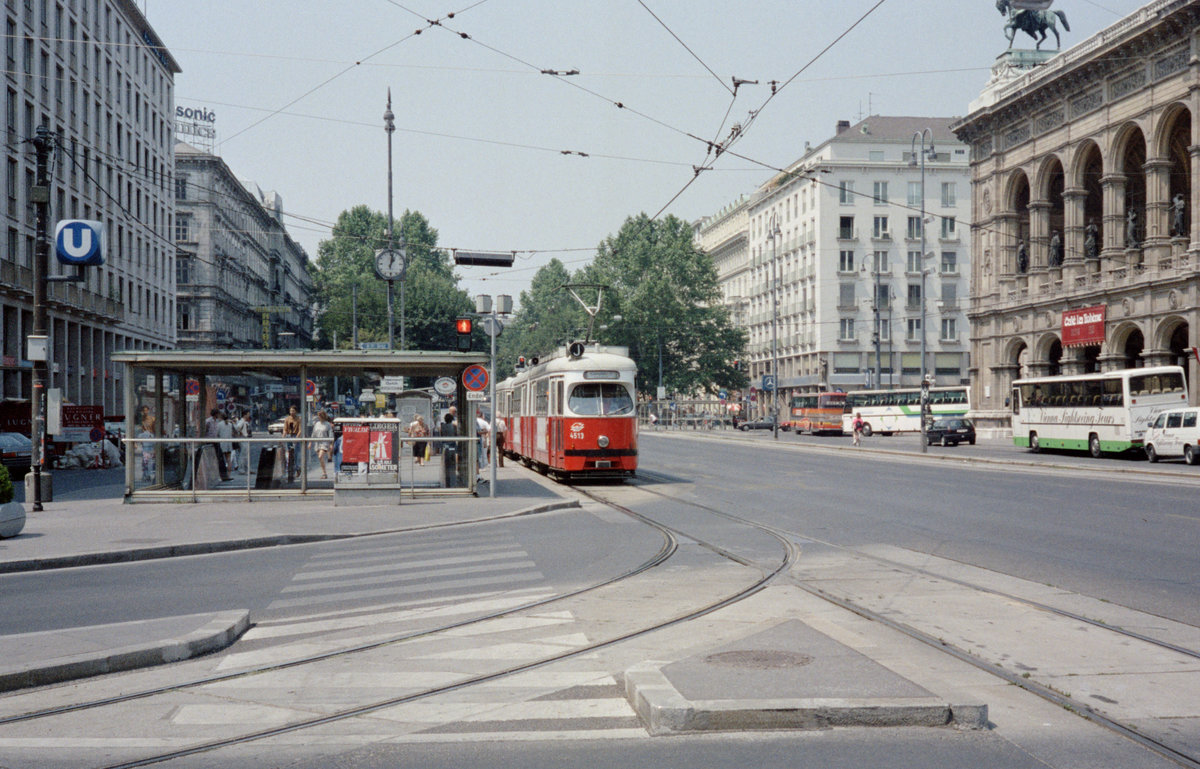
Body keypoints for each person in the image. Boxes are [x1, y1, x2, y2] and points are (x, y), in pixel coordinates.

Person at [202, 408, 230, 481]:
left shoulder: (217, 421)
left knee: (220, 459)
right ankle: (212, 476)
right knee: (211, 459)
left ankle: (224, 475)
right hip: (210, 441)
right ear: (216, 414)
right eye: (218, 414)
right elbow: (205, 431)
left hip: (216, 441)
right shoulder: (208, 421)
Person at [438, 411, 460, 487]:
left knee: (446, 462)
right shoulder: (454, 426)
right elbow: (456, 434)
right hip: (452, 444)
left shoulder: (442, 426)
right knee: (453, 460)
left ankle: (446, 479)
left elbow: (441, 435)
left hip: (445, 444)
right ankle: (453, 477)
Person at [311, 410, 334, 479]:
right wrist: (310, 442)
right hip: (317, 442)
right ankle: (324, 472)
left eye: (320, 415)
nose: (319, 417)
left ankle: (324, 473)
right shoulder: (317, 424)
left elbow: (330, 434)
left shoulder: (327, 424)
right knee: (321, 459)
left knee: (320, 456)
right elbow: (313, 433)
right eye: (319, 416)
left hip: (324, 442)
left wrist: (330, 443)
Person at [283, 405, 301, 481]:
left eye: (293, 411)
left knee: (296, 454)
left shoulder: (299, 419)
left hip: (295, 435)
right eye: (290, 411)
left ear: (296, 411)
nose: (292, 412)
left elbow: (300, 430)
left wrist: (297, 438)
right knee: (289, 454)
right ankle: (290, 471)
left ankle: (297, 468)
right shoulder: (287, 419)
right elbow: (285, 429)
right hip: (289, 436)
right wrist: (283, 437)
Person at [138, 415, 156, 482]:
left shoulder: (142, 434)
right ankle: (148, 475)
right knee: (150, 463)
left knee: (145, 463)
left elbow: (139, 441)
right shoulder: (152, 435)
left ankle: (146, 475)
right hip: (150, 449)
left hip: (146, 450)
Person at [475, 408, 491, 473]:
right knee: (482, 453)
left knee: (479, 454)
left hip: (478, 439)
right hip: (481, 439)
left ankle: (479, 468)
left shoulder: (475, 420)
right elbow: (489, 429)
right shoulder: (484, 422)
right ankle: (481, 467)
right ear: (482, 415)